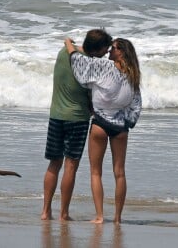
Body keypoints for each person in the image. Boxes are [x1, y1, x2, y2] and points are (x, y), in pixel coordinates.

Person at [65, 37, 142, 224]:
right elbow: (136, 105)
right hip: (120, 128)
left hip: (100, 124)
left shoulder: (105, 67)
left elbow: (80, 61)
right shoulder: (133, 75)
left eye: (113, 49)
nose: (109, 52)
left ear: (121, 52)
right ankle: (117, 218)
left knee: (95, 172)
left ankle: (99, 216)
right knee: (120, 173)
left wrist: (69, 44)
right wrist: (127, 123)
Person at [41, 29, 112, 221]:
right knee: (70, 166)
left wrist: (67, 41)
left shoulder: (63, 52)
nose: (106, 55)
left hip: (56, 115)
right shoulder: (90, 64)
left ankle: (45, 212)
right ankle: (63, 213)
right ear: (96, 50)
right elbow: (93, 98)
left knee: (53, 164)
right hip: (78, 118)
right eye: (105, 51)